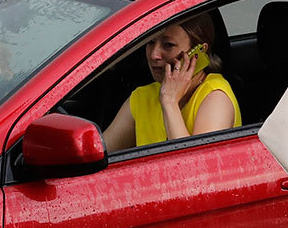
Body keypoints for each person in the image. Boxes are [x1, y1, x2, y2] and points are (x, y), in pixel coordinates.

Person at [102, 13, 241, 151]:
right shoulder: (141, 97)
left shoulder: (215, 96)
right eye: (150, 42)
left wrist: (169, 101)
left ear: (197, 52)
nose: (154, 55)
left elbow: (194, 167)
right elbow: (100, 154)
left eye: (168, 45)